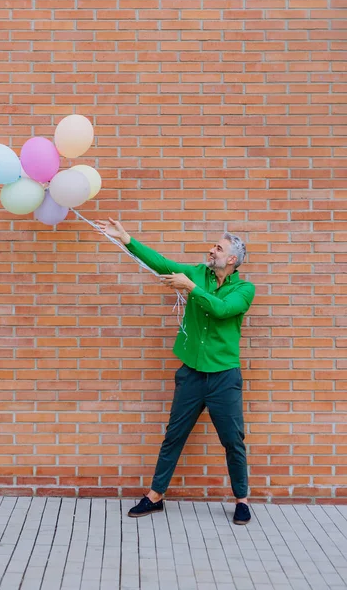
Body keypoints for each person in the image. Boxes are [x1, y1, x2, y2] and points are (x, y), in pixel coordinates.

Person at [95, 217, 255, 525]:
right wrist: (127, 238)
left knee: (233, 440)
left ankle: (241, 500)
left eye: (218, 248)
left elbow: (222, 311)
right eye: (213, 246)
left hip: (224, 377)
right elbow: (160, 262)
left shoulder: (245, 289)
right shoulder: (197, 273)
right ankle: (155, 496)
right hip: (192, 374)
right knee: (174, 436)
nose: (212, 250)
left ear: (232, 259)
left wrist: (190, 288)